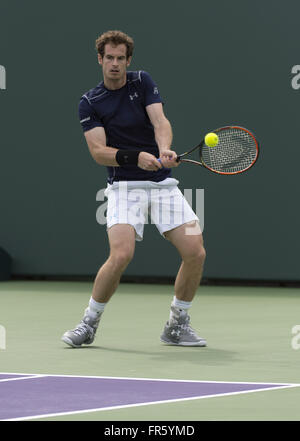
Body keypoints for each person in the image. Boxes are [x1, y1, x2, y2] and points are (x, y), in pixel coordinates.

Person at [61, 30, 206, 348]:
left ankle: (176, 325)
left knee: (195, 252)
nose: (114, 64)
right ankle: (89, 323)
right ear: (100, 59)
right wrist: (135, 158)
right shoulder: (90, 102)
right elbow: (99, 152)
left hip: (163, 185)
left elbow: (160, 122)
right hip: (123, 188)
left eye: (120, 59)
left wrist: (164, 148)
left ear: (128, 61)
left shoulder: (142, 81)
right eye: (109, 58)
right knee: (121, 253)